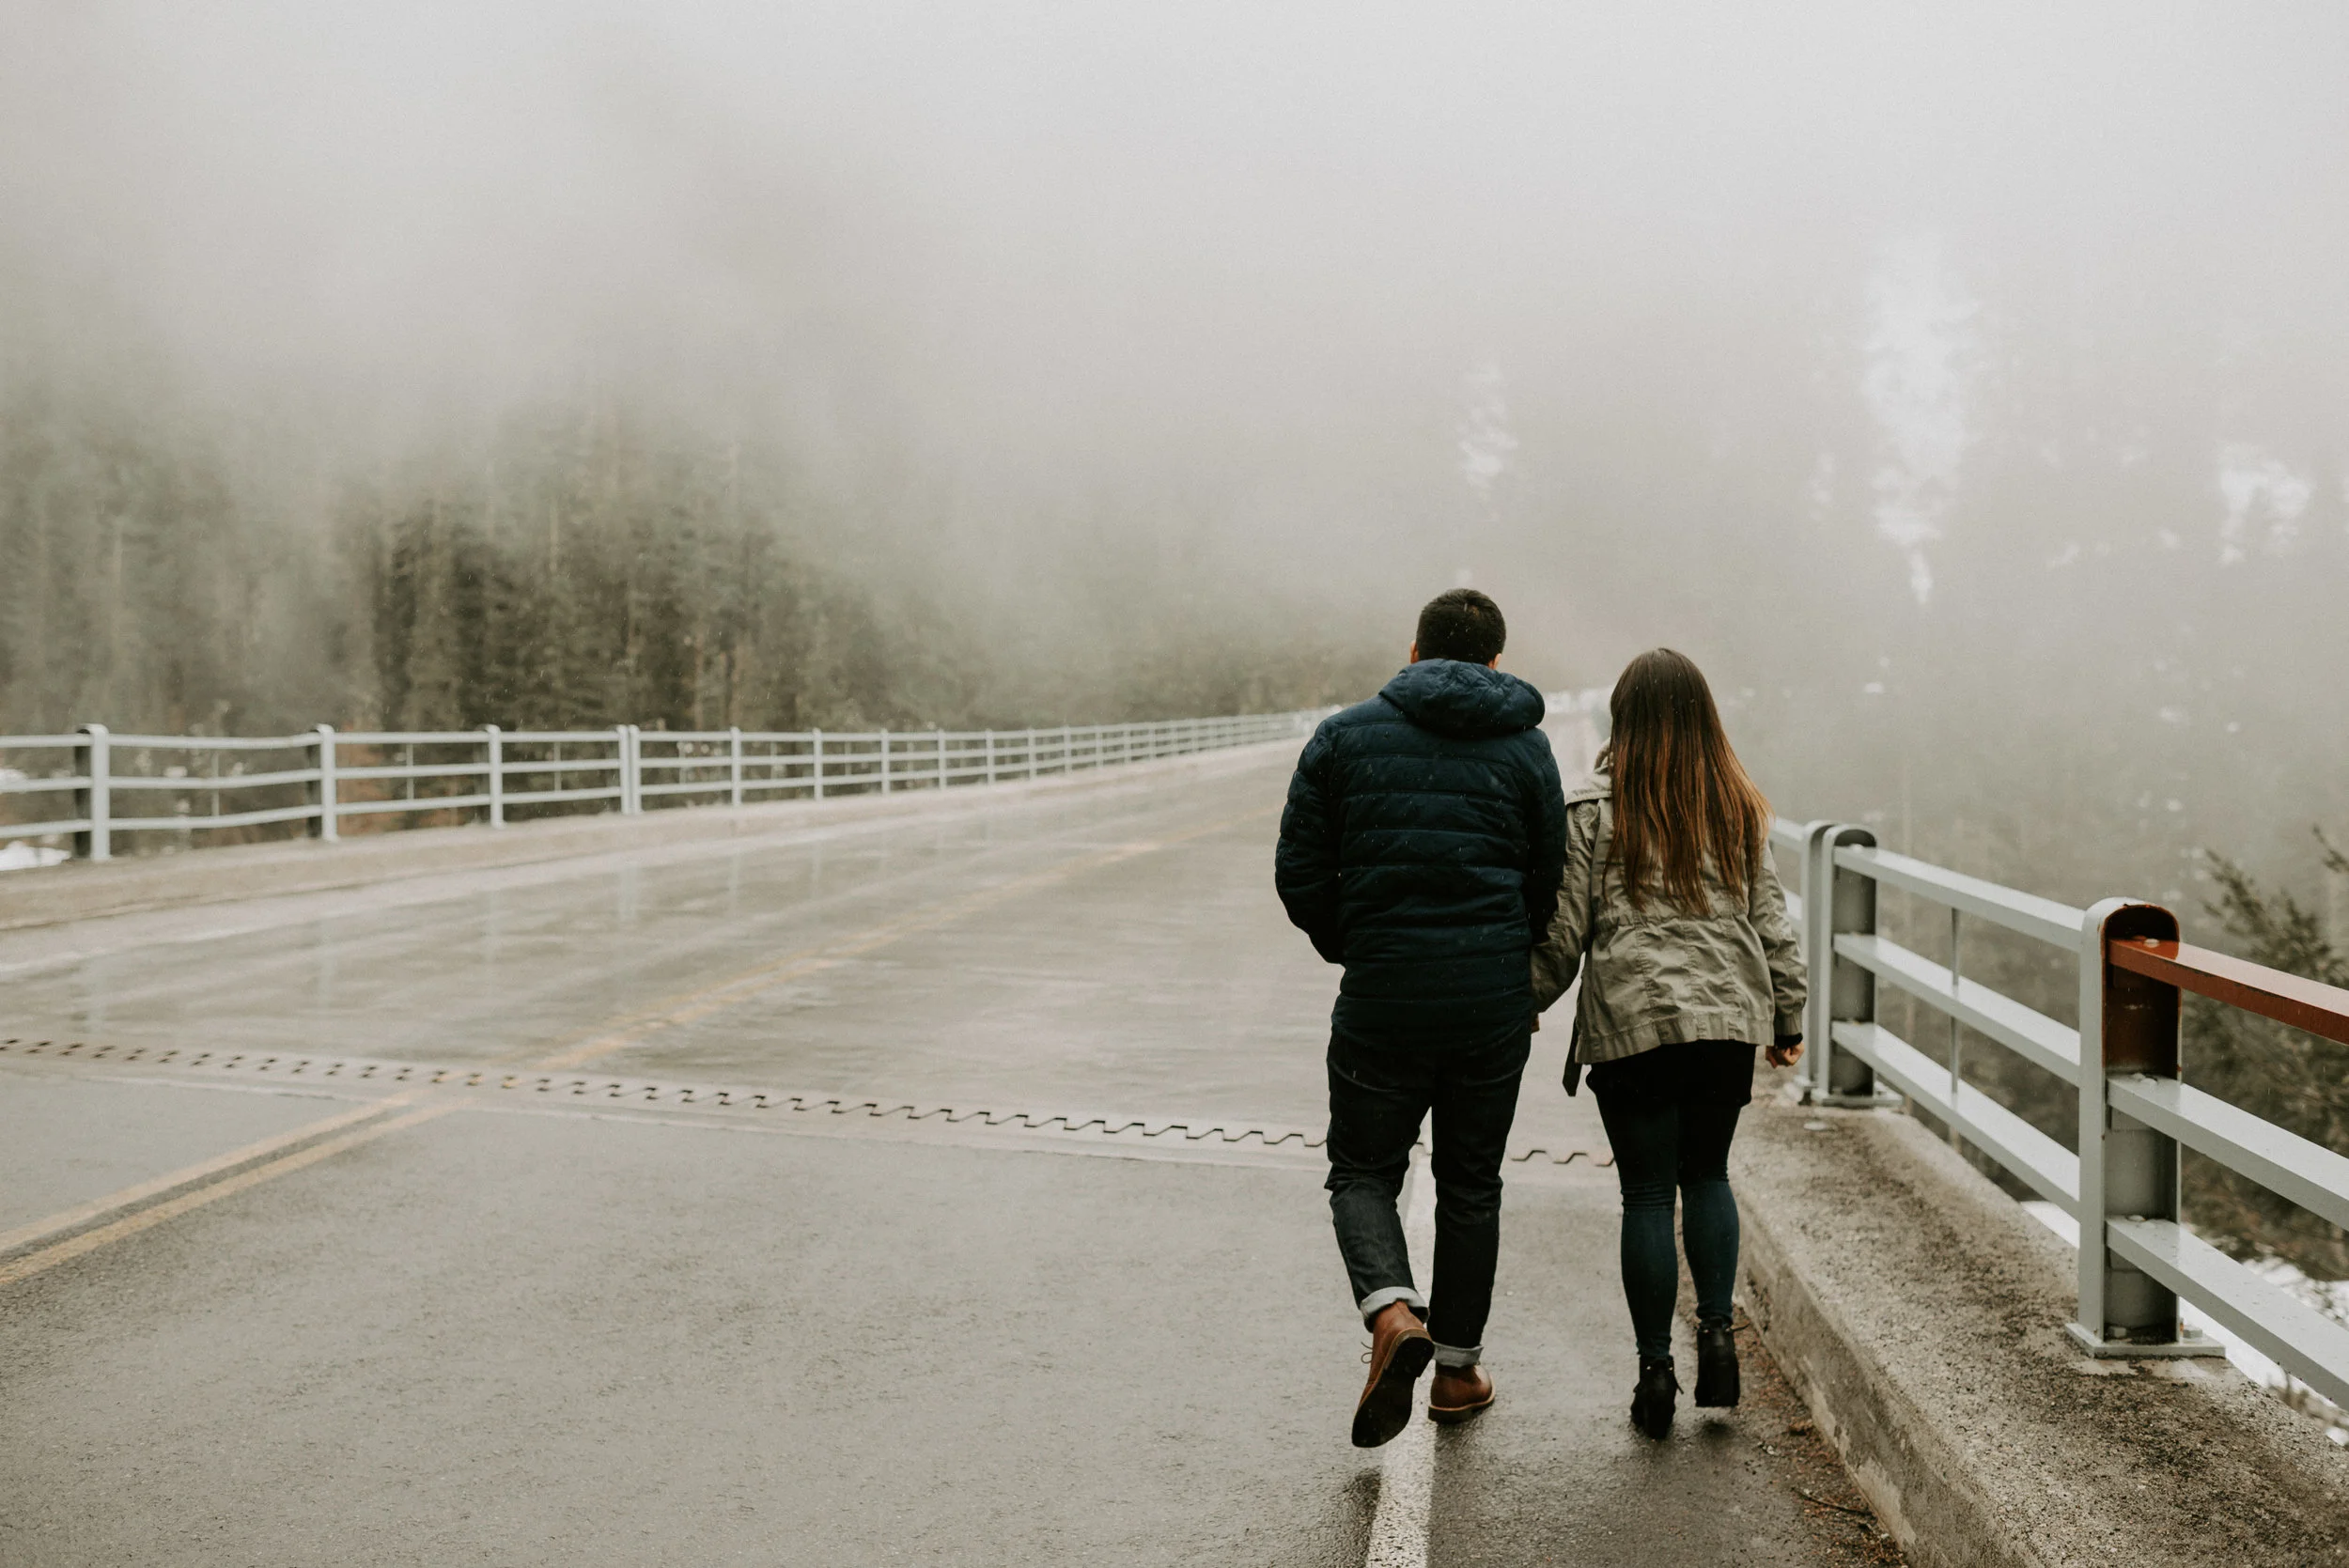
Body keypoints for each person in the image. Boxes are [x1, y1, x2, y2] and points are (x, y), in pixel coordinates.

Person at [1275, 588, 1565, 1448]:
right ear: (1496, 664)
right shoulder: (1528, 750)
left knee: (1364, 1170)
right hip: (1488, 1005)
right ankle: (1457, 1371)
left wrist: (1357, 944)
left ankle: (1393, 1312)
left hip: (1383, 996)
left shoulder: (1342, 736)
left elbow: (1299, 871)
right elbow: (1547, 881)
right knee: (1470, 1183)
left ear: (1414, 650)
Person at [1531, 647, 1805, 1439]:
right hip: (1725, 1020)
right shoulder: (1739, 807)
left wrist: (1521, 1002)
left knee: (1648, 1194)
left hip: (1634, 1020)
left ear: (1625, 720)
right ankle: (1718, 1340)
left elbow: (1563, 933)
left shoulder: (1592, 808)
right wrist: (1788, 1015)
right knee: (1709, 1173)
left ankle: (1656, 1373)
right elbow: (1772, 922)